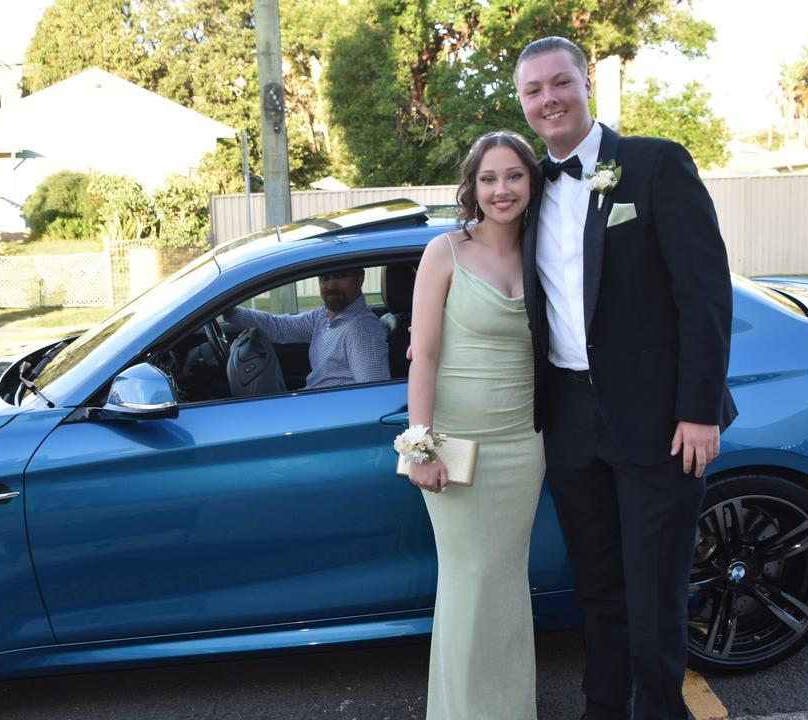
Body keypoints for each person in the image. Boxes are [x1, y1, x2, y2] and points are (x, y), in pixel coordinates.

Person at [514, 37, 737, 720]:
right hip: (570, 417)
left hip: (659, 420)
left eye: (560, 83)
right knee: (601, 586)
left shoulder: (653, 163)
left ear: (587, 84)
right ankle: (604, 706)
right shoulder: (526, 188)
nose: (548, 99)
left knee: (655, 590)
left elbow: (704, 294)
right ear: (522, 103)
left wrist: (698, 410)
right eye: (533, 90)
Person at [401, 130, 545, 719]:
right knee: (468, 580)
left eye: (513, 175)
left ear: (531, 182)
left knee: (506, 580)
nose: (501, 189)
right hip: (455, 447)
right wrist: (420, 445)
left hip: (525, 446)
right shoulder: (446, 252)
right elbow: (424, 355)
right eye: (488, 178)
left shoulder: (544, 250)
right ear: (472, 186)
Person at [225, 268, 389, 389]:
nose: (331, 285)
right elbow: (277, 327)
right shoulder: (324, 316)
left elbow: (374, 395)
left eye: (340, 276)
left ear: (360, 278)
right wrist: (229, 309)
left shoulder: (361, 330)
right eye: (324, 277)